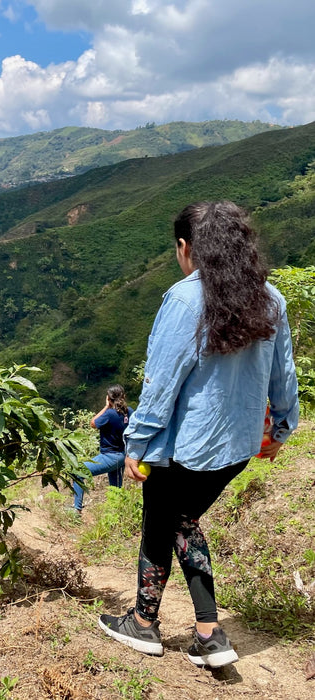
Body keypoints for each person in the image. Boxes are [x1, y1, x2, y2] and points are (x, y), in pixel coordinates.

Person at [97, 201, 299, 668]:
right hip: (238, 447)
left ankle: (147, 625)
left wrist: (136, 442)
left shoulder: (186, 299)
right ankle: (207, 634)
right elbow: (282, 376)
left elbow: (162, 382)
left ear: (186, 248)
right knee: (181, 519)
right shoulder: (270, 298)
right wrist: (282, 428)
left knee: (164, 520)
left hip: (184, 447)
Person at [72, 384, 133, 513]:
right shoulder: (130, 412)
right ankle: (116, 513)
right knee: (115, 487)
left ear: (108, 398)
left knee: (78, 472)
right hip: (123, 455)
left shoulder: (109, 414)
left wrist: (106, 406)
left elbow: (93, 423)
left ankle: (76, 509)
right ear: (124, 396)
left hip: (109, 456)